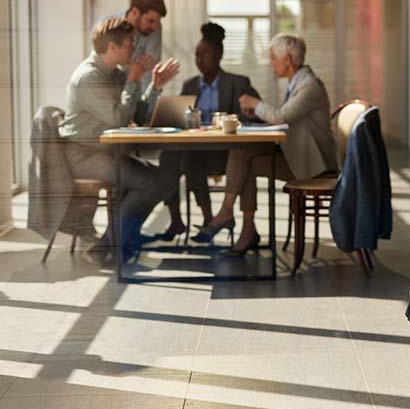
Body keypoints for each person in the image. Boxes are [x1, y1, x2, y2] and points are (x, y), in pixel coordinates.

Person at [197, 33, 337, 254]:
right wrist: (256, 112)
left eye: (273, 58)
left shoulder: (310, 86)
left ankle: (231, 217)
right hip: (299, 155)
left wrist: (256, 103)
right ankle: (245, 229)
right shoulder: (297, 83)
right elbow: (285, 119)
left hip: (315, 166)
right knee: (242, 153)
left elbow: (281, 117)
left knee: (244, 159)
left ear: (287, 60)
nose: (271, 64)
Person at [58, 17, 180, 256]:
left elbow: (139, 115)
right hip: (83, 157)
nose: (133, 49)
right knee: (149, 182)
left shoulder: (113, 73)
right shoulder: (89, 77)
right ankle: (110, 245)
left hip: (103, 153)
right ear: (112, 47)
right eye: (129, 44)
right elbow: (118, 119)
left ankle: (119, 239)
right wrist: (132, 81)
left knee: (164, 179)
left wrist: (154, 86)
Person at [157, 22, 261, 240]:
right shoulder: (190, 85)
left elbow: (256, 113)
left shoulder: (238, 83)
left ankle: (210, 221)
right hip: (197, 152)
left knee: (189, 158)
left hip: (227, 154)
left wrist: (236, 119)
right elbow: (179, 119)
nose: (199, 60)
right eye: (196, 55)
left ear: (219, 55)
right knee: (170, 156)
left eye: (205, 54)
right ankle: (183, 220)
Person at [103, 0, 167, 123]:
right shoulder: (108, 27)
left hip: (133, 98)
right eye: (150, 21)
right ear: (134, 12)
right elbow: (106, 69)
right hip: (112, 101)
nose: (154, 27)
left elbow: (148, 73)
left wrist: (143, 113)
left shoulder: (153, 30)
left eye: (157, 22)